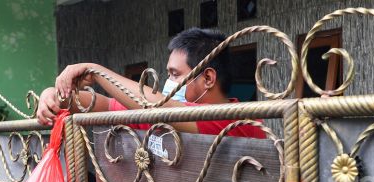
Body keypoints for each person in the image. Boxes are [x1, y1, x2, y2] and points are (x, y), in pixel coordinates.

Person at [37, 28, 265, 138]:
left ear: (207, 78)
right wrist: (53, 95)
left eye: (175, 74)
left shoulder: (238, 121)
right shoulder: (157, 118)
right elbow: (102, 104)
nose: (167, 83)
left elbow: (156, 107)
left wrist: (96, 71)